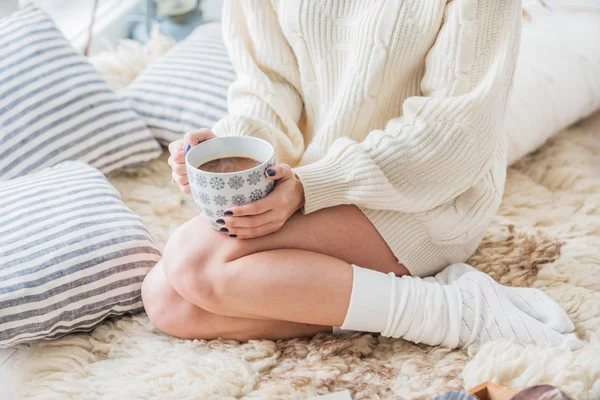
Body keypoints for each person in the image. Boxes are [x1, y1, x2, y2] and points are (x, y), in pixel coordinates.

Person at [141, 0, 575, 348]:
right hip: (309, 180)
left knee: (195, 263)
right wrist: (235, 147)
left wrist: (315, 185)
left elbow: (455, 133)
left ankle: (453, 313)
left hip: (426, 195)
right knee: (168, 301)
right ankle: (396, 305)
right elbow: (269, 85)